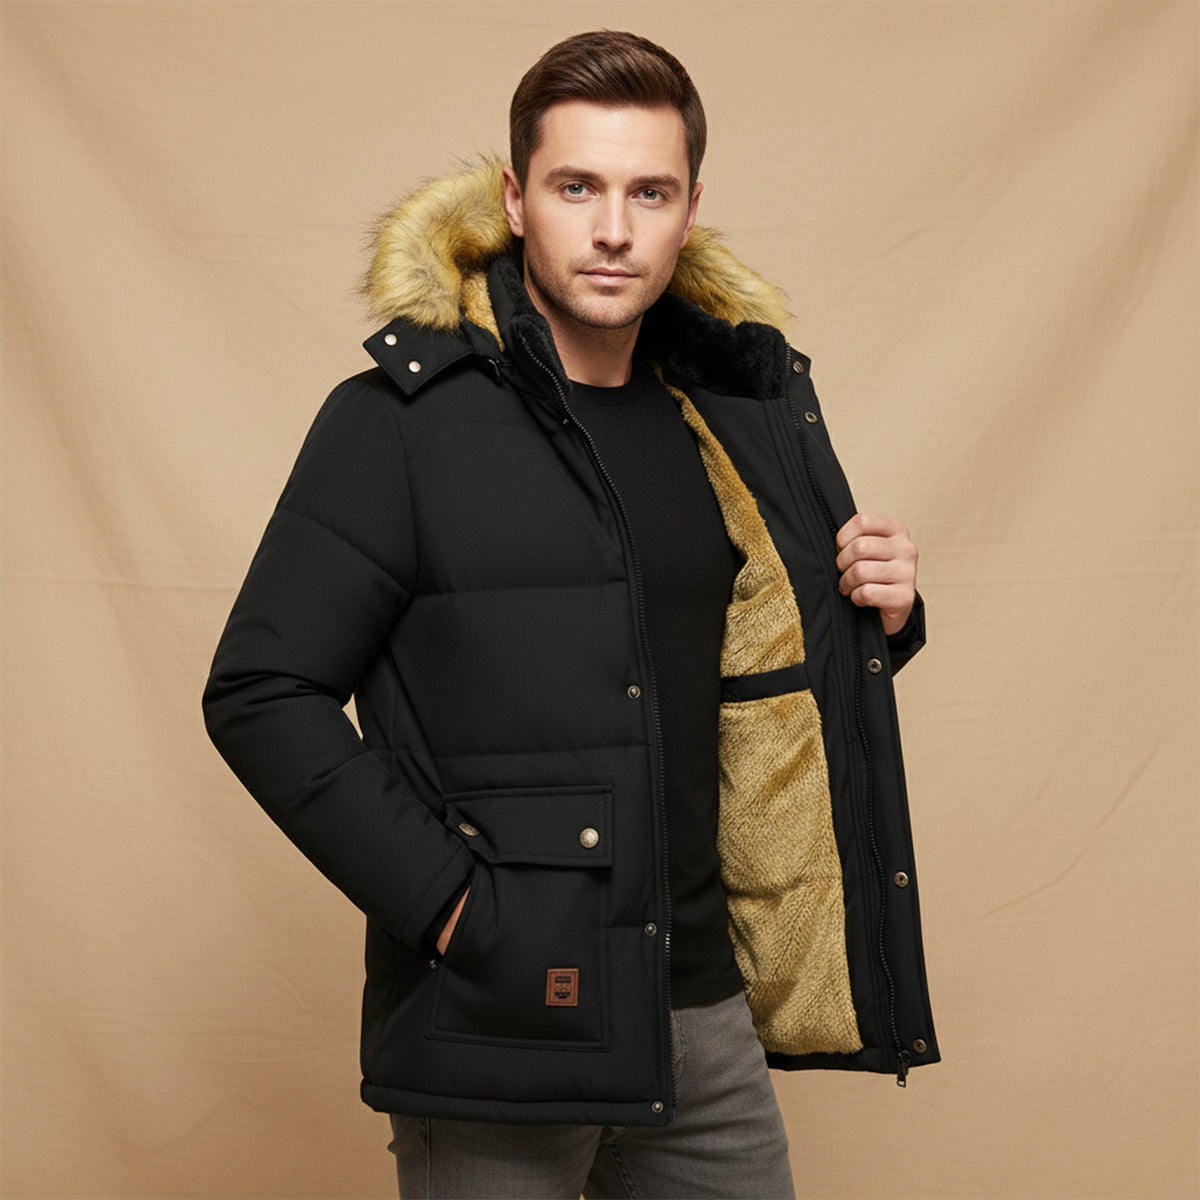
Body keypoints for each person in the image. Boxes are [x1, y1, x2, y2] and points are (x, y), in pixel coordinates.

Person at [203, 29, 938, 1199]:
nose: (613, 229)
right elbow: (260, 691)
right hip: (500, 1019)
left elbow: (757, 665)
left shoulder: (736, 416)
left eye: (649, 192)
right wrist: (452, 910)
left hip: (703, 1021)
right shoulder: (398, 423)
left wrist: (883, 614)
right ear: (515, 199)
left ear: (689, 211)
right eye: (577, 187)